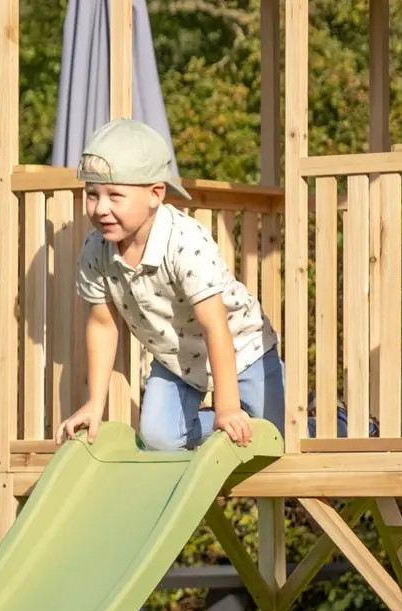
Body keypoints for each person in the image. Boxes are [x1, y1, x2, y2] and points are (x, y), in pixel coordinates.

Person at [55, 119, 284, 451]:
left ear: (155, 194)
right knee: (159, 439)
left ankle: (336, 421)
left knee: (276, 436)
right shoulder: (96, 250)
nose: (101, 208)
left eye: (115, 196)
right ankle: (231, 422)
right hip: (177, 359)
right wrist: (94, 404)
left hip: (242, 348)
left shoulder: (184, 243)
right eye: (92, 195)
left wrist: (227, 406)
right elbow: (103, 325)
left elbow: (215, 325)